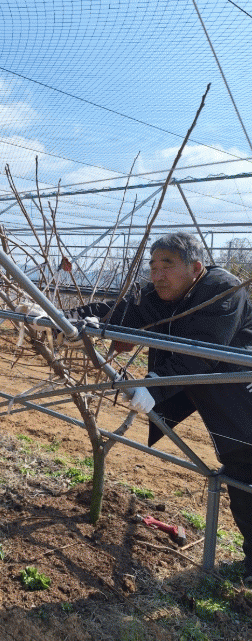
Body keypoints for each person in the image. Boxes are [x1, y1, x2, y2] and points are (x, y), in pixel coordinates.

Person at [68, 231, 252, 582]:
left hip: (243, 393)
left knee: (248, 467)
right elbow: (126, 309)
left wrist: (154, 384)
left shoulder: (223, 291)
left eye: (167, 265)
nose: (156, 274)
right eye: (152, 265)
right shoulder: (167, 294)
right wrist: (75, 318)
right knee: (240, 473)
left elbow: (203, 352)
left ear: (196, 268)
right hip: (221, 403)